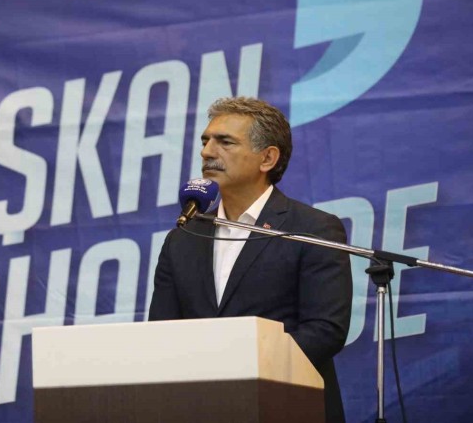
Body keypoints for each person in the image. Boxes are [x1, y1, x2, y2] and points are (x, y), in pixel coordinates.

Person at [149, 96, 352, 423]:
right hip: (200, 410)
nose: (207, 152)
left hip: (288, 406)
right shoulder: (183, 237)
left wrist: (238, 372)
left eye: (225, 142)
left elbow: (325, 330)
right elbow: (162, 333)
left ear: (267, 158)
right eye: (205, 141)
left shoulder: (312, 228)